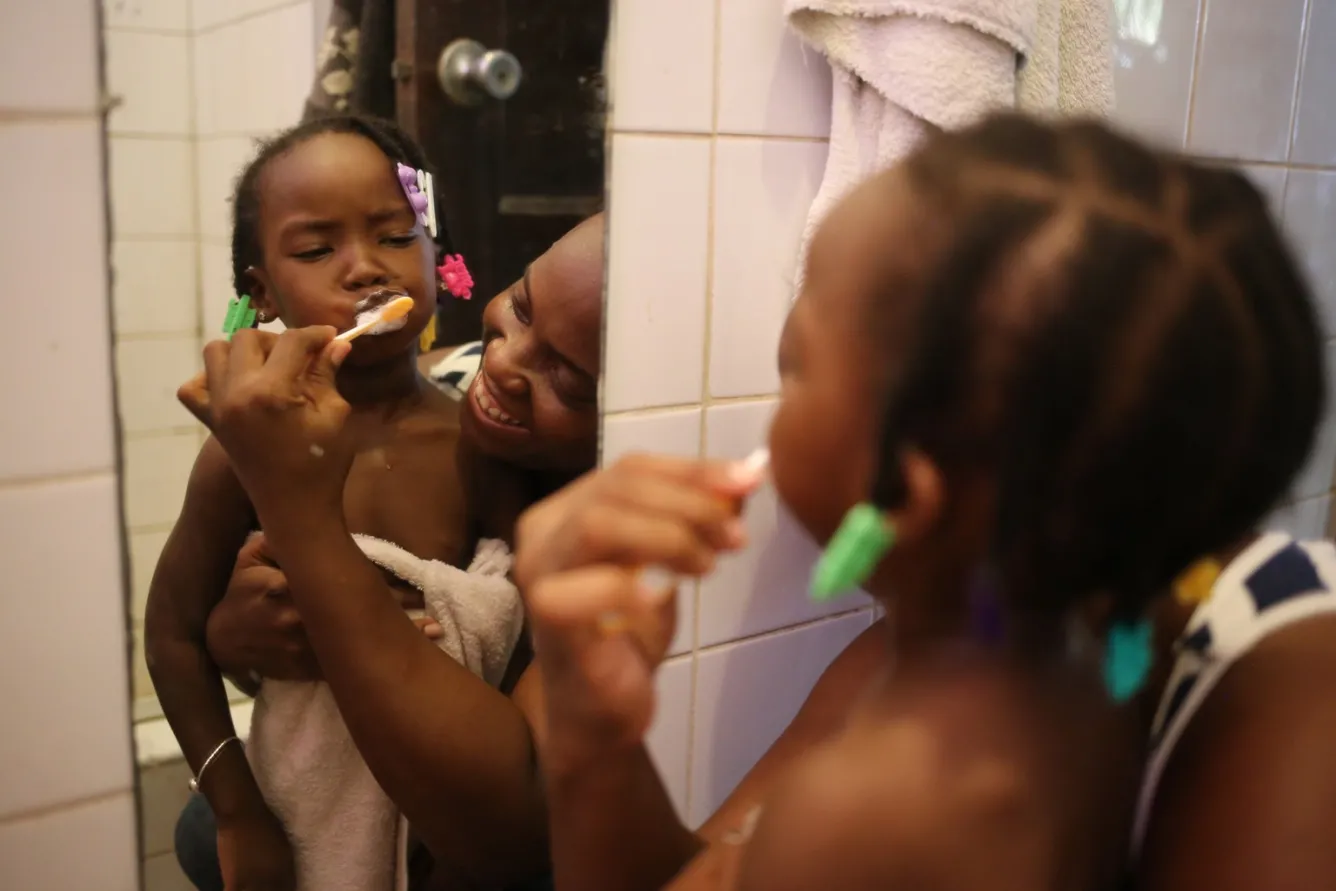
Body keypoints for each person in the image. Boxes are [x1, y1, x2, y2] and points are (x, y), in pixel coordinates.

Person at [508, 113, 1333, 890]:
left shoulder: (860, 809)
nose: (777, 386)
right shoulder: (1096, 670)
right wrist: (597, 736)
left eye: (798, 366)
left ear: (902, 489)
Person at [170, 194, 605, 891]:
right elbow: (181, 628)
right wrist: (233, 635)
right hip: (305, 786)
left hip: (441, 830)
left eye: (568, 376)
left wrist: (301, 520)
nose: (504, 362)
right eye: (521, 306)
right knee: (199, 831)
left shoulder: (606, 525)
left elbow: (508, 831)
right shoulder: (459, 388)